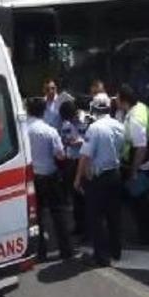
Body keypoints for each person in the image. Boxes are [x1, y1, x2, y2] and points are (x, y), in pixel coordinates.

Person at [74, 93, 125, 267]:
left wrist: (78, 178)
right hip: (115, 174)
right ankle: (116, 251)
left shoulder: (94, 128)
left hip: (99, 178)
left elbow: (85, 156)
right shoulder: (119, 126)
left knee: (96, 217)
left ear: (94, 109)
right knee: (114, 216)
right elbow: (122, 149)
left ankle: (101, 257)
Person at [27, 97, 75, 261]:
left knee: (36, 216)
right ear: (44, 112)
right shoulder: (49, 131)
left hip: (31, 178)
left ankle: (39, 252)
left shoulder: (22, 131)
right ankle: (66, 250)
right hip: (50, 176)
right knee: (58, 214)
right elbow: (60, 155)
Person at [117, 84, 149, 245]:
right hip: (146, 162)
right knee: (142, 200)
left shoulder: (135, 119)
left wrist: (134, 171)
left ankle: (148, 235)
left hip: (140, 165)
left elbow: (140, 148)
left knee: (140, 202)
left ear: (124, 100)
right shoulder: (141, 107)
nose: (116, 101)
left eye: (117, 98)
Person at [59, 100, 86, 238]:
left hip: (80, 160)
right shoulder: (67, 124)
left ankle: (85, 227)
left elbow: (87, 137)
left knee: (82, 196)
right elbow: (66, 139)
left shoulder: (82, 120)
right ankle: (80, 226)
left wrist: (78, 141)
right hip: (74, 161)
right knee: (76, 196)